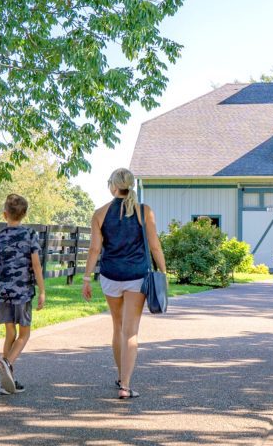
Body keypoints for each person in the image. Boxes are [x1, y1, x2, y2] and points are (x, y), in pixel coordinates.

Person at [82, 168, 166, 400]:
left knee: (117, 327)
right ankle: (125, 386)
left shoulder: (100, 213)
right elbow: (155, 245)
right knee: (131, 332)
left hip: (110, 276)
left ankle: (120, 376)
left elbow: (94, 249)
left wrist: (87, 278)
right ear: (131, 185)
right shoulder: (144, 211)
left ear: (113, 186)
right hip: (136, 276)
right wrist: (164, 272)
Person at [0, 194, 46, 395]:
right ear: (24, 214)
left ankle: (6, 382)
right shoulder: (30, 235)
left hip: (4, 293)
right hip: (23, 293)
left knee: (10, 334)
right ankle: (7, 363)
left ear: (5, 214)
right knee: (24, 334)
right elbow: (36, 266)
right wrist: (42, 291)